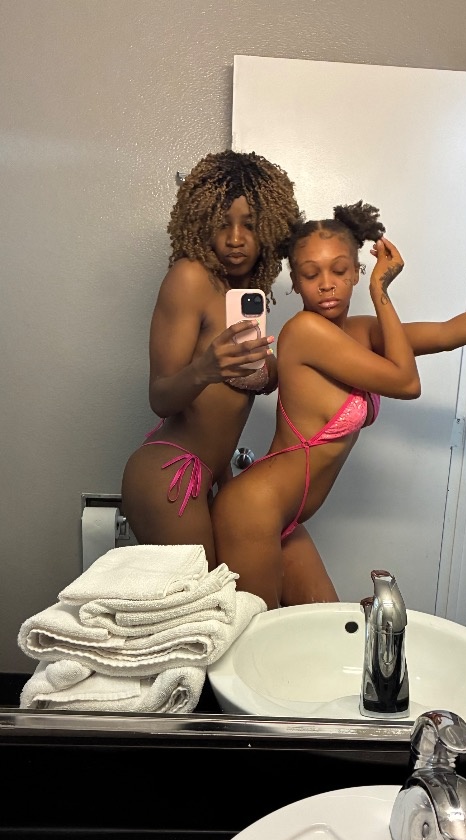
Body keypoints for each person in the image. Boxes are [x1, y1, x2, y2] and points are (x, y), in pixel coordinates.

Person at [211, 202, 466, 609]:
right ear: (295, 282)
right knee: (261, 639)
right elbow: (406, 382)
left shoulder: (361, 332)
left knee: (328, 632)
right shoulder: (304, 331)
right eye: (311, 274)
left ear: (356, 271)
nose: (327, 284)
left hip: (283, 517)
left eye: (339, 270)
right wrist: (380, 292)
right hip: (253, 511)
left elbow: (449, 333)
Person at [120, 149, 301, 568]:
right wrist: (205, 370)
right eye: (222, 223)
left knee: (227, 601)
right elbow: (161, 398)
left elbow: (230, 404)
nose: (235, 238)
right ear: (202, 223)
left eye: (249, 225)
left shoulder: (245, 298)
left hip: (210, 476)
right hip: (170, 474)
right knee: (203, 604)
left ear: (270, 228)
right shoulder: (190, 278)